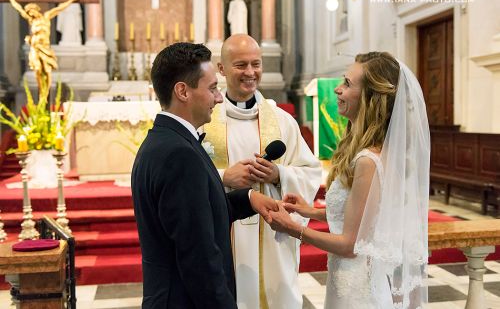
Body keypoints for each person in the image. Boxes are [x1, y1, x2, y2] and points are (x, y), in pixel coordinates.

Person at [269, 52, 430, 309]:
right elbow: (362, 217)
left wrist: (291, 227)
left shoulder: (369, 160)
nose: (337, 89)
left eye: (347, 83)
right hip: (351, 281)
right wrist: (308, 211)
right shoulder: (370, 150)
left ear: (370, 97)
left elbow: (350, 245)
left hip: (358, 292)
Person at [131, 42, 279, 308]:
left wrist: (248, 200)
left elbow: (199, 214)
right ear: (183, 91)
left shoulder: (164, 140)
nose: (219, 98)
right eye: (212, 88)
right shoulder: (179, 155)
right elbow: (198, 255)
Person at [202, 34, 322, 309]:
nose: (250, 72)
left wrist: (278, 175)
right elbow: (187, 177)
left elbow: (311, 172)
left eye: (256, 64)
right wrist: (223, 177)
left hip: (272, 235)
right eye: (241, 65)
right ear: (221, 69)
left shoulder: (281, 121)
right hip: (225, 231)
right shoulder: (206, 120)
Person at [1, 0, 80, 90]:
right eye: (29, 13)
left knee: (47, 70)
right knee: (37, 69)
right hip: (35, 47)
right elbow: (19, 9)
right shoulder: (31, 20)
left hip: (45, 48)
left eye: (31, 11)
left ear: (35, 9)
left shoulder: (46, 16)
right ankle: (41, 89)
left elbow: (60, 9)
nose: (30, 14)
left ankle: (46, 92)